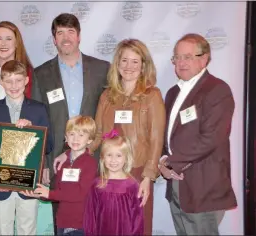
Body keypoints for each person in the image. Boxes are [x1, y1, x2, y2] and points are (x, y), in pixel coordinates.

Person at [54, 38, 165, 235]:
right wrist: (71, 154)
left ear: (143, 65)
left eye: (134, 61)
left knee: (137, 226)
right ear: (117, 63)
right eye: (124, 60)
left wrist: (148, 177)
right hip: (107, 174)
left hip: (137, 173)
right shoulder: (107, 96)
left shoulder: (152, 96)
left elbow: (157, 140)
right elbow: (96, 135)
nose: (128, 66)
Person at [31, 13, 109, 232]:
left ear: (79, 36)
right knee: (64, 219)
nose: (66, 38)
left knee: (96, 218)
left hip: (94, 156)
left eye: (71, 32)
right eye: (60, 33)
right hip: (56, 158)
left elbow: (109, 113)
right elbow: (39, 122)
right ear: (54, 39)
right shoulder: (41, 74)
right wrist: (44, 163)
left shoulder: (102, 69)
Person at [159, 33, 237, 235]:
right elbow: (166, 135)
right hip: (176, 183)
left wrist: (170, 164)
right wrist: (162, 161)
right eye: (177, 57)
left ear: (204, 59)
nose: (181, 62)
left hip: (203, 186)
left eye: (188, 56)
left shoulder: (217, 90)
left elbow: (210, 138)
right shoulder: (172, 93)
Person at [0, 60, 53, 235]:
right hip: (1, 185)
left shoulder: (38, 109)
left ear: (26, 81)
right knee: (1, 230)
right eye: (9, 81)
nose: (14, 86)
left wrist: (32, 134)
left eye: (18, 80)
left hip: (27, 184)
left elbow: (49, 144)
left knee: (27, 230)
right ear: (1, 82)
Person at [23, 115, 98, 236]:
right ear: (65, 138)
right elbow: (57, 192)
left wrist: (49, 193)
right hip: (62, 222)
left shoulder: (90, 163)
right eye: (72, 134)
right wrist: (39, 194)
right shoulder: (63, 162)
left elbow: (80, 194)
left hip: (81, 223)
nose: (75, 139)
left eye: (81, 135)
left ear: (89, 140)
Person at [83, 131, 144, 235]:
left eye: (119, 155)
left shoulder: (132, 186)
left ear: (126, 158)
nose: (113, 160)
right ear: (102, 158)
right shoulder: (97, 185)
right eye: (109, 155)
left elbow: (137, 218)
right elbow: (90, 215)